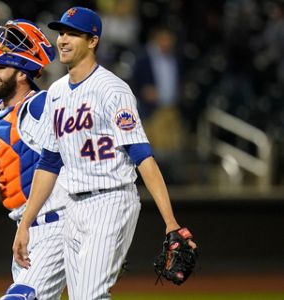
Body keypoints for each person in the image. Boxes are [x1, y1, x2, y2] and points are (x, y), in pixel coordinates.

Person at [12, 7, 197, 299]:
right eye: (61, 32)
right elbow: (49, 163)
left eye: (73, 34)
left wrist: (170, 221)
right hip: (72, 207)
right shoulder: (57, 92)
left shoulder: (113, 90)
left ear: (93, 41)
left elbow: (142, 157)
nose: (62, 40)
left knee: (88, 296)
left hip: (111, 200)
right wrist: (25, 225)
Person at [0, 19, 67, 300]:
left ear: (22, 73)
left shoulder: (41, 105)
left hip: (56, 225)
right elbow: (13, 164)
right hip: (23, 230)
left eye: (0, 66)